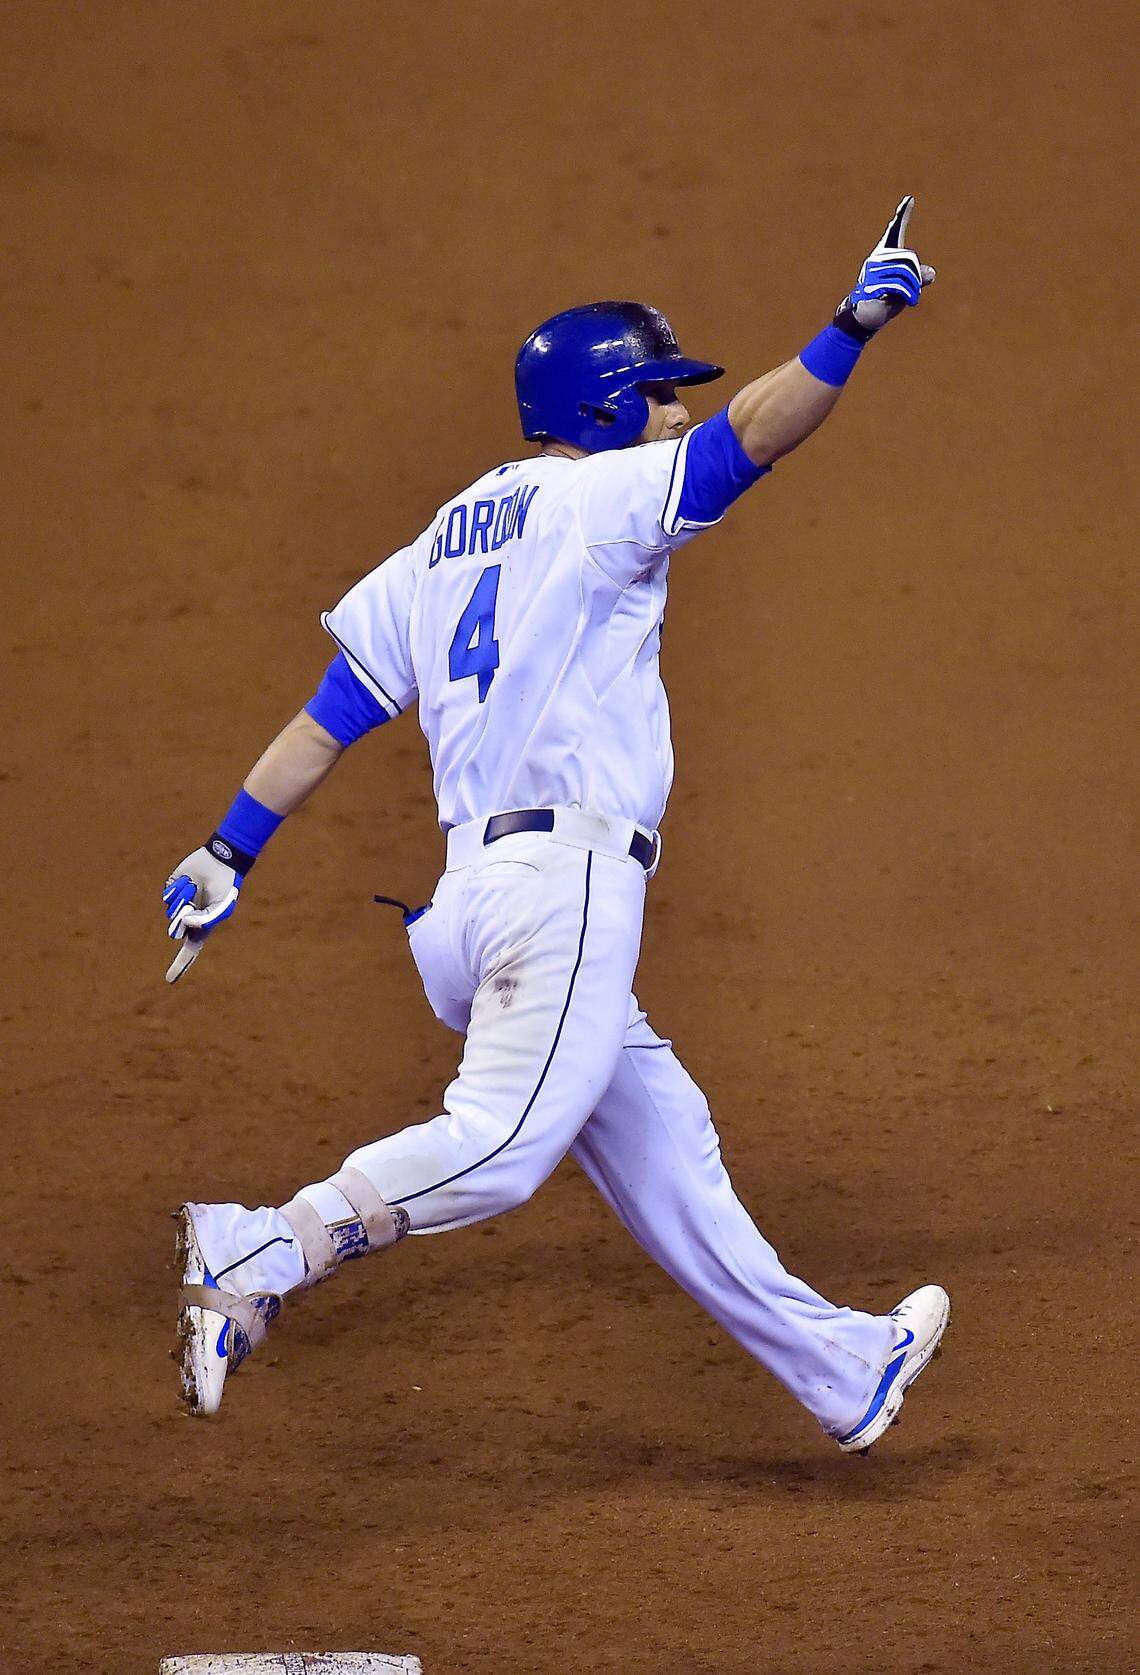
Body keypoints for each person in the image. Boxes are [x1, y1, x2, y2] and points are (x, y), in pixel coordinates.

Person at [166, 196, 949, 1453]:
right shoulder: (600, 501)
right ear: (603, 409)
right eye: (659, 391)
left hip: (469, 910)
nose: (678, 408)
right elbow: (756, 431)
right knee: (504, 1145)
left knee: (662, 1140)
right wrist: (849, 328)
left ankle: (840, 1366)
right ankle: (261, 1247)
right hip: (560, 890)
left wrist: (227, 848)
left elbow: (328, 718)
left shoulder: (437, 545)